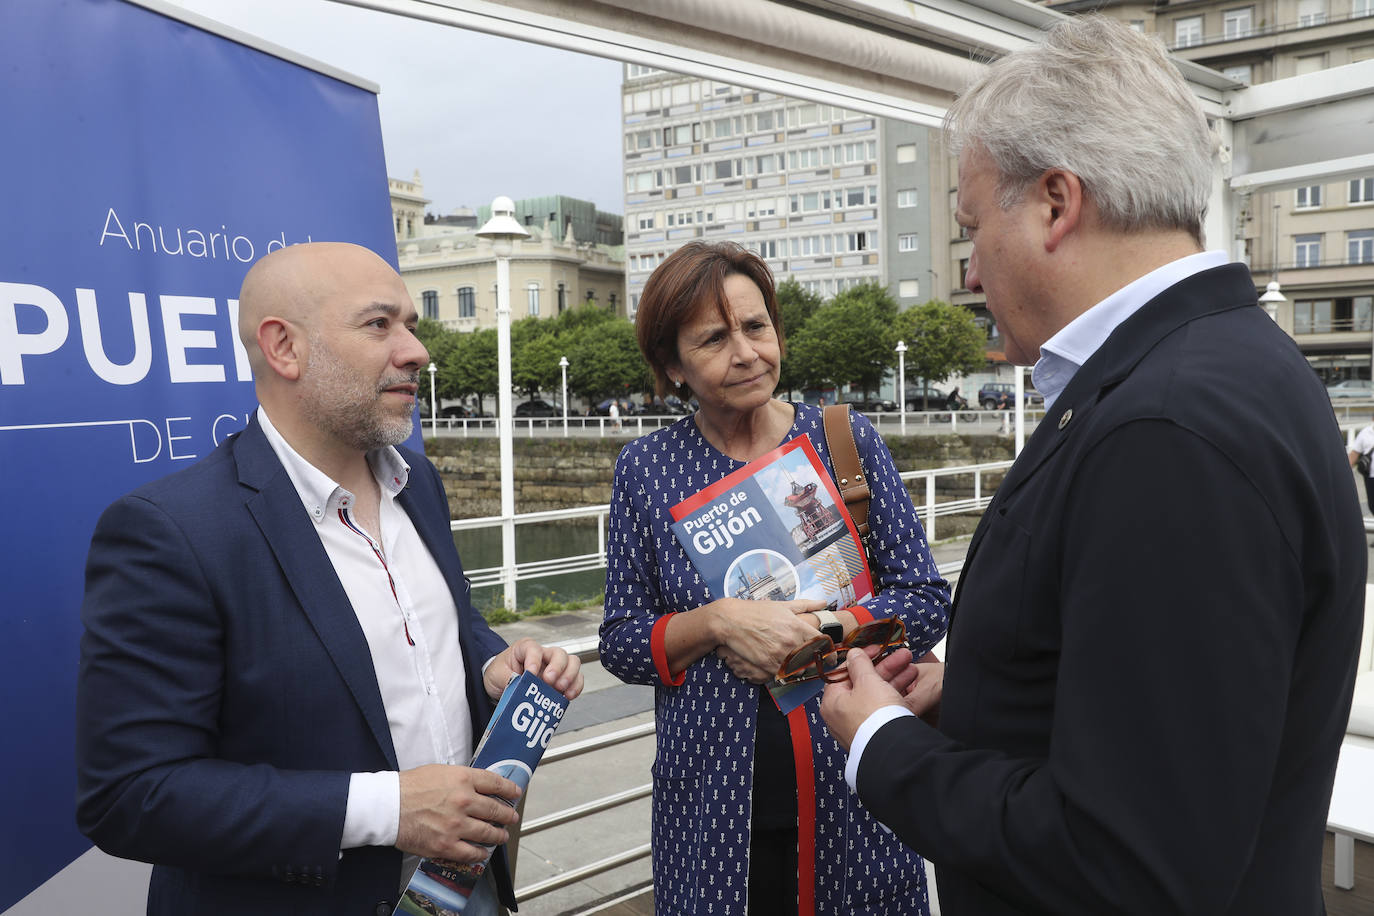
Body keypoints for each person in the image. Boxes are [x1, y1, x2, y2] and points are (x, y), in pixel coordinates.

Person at [819, 17, 1365, 915]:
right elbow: (1179, 704)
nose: (970, 271)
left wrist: (879, 742)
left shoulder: (1166, 424)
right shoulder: (1232, 362)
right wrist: (983, 690)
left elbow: (1129, 862)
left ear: (1055, 203)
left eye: (970, 227)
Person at [75, 242, 584, 916]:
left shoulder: (419, 484)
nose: (415, 352)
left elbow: (445, 632)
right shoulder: (170, 531)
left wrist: (491, 667)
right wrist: (388, 809)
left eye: (411, 324)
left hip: (463, 894)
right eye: (380, 325)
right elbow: (130, 794)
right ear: (284, 348)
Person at [599, 240, 951, 915]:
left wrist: (824, 631)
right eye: (713, 339)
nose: (746, 352)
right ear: (672, 366)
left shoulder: (842, 439)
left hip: (852, 783)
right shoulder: (646, 470)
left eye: (756, 327)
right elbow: (620, 639)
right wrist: (718, 622)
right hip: (712, 804)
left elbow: (925, 596)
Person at [1348, 418, 1374, 515]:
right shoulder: (1365, 434)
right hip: (1370, 477)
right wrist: (1344, 473)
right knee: (1372, 505)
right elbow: (1354, 454)